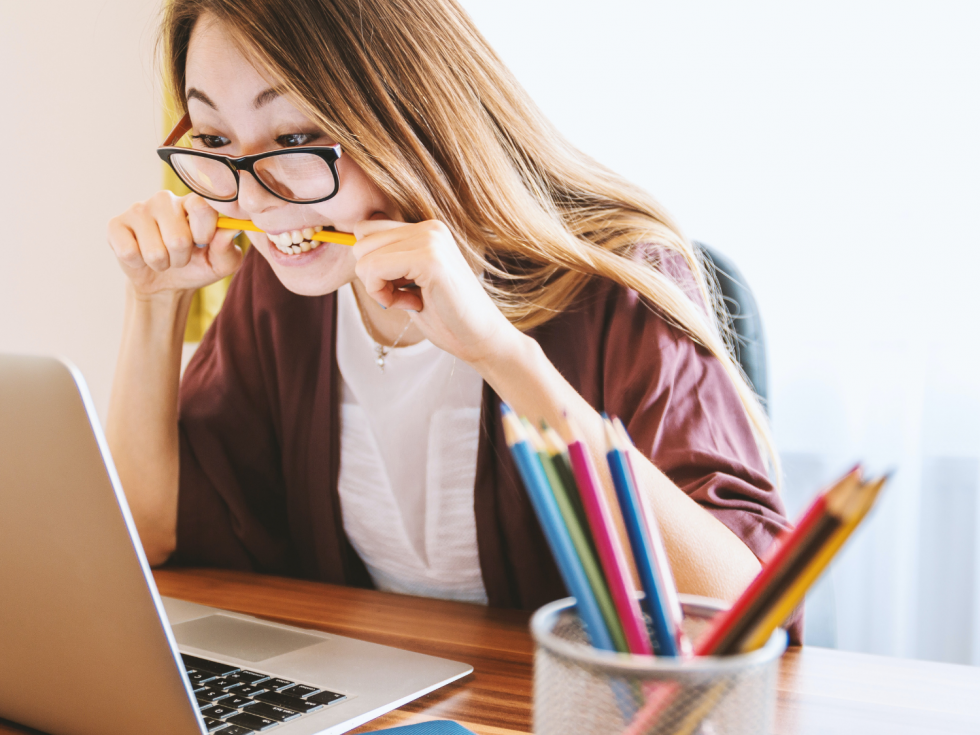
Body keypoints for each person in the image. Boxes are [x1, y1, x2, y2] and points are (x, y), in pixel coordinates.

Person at [106, 0, 797, 635]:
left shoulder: (615, 284)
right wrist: (155, 302)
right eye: (218, 141)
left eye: (294, 134)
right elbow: (148, 530)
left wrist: (502, 354)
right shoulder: (283, 292)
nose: (257, 200)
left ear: (406, 110)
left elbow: (742, 612)